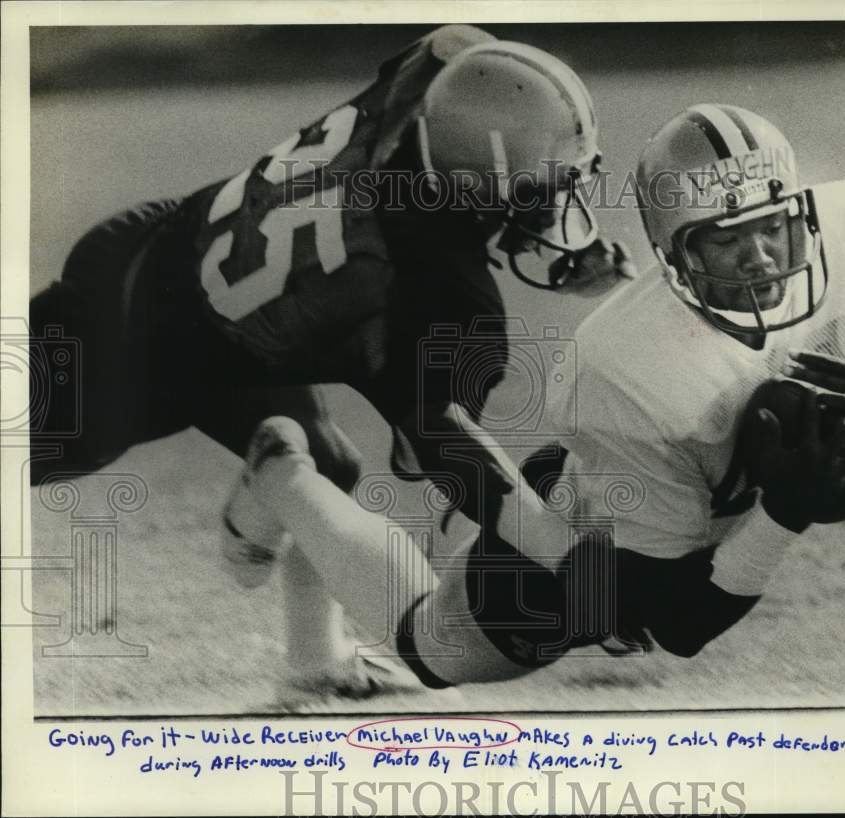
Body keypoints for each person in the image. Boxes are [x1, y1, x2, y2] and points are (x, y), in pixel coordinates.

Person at [225, 101, 845, 691]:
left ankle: (427, 543)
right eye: (726, 241)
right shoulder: (627, 362)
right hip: (586, 552)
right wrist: (781, 515)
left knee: (494, 529)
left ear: (805, 213)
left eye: (771, 228)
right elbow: (678, 626)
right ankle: (285, 473)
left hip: (635, 485)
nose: (759, 258)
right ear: (675, 258)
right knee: (429, 652)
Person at [29, 25, 634, 693]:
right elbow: (439, 453)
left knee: (330, 465)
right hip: (120, 355)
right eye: (539, 187)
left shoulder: (435, 79)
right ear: (476, 180)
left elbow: (458, 48)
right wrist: (569, 564)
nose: (558, 203)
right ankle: (272, 491)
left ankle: (315, 654)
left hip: (172, 260)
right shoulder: (439, 285)